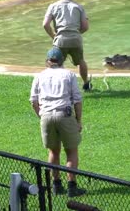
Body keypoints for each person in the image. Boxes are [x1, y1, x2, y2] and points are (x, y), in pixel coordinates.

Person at [30, 47, 86, 197]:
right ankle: (72, 187)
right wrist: (78, 120)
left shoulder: (39, 76)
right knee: (71, 150)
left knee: (53, 151)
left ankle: (56, 185)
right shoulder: (69, 75)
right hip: (65, 115)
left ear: (47, 62)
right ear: (62, 61)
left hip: (47, 116)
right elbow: (77, 100)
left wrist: (41, 116)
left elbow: (34, 101)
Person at [43, 0, 92, 91]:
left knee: (56, 64)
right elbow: (85, 27)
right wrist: (76, 33)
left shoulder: (53, 6)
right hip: (75, 39)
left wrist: (53, 36)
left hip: (60, 39)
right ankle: (86, 84)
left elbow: (45, 24)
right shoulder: (78, 7)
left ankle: (58, 87)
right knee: (81, 61)